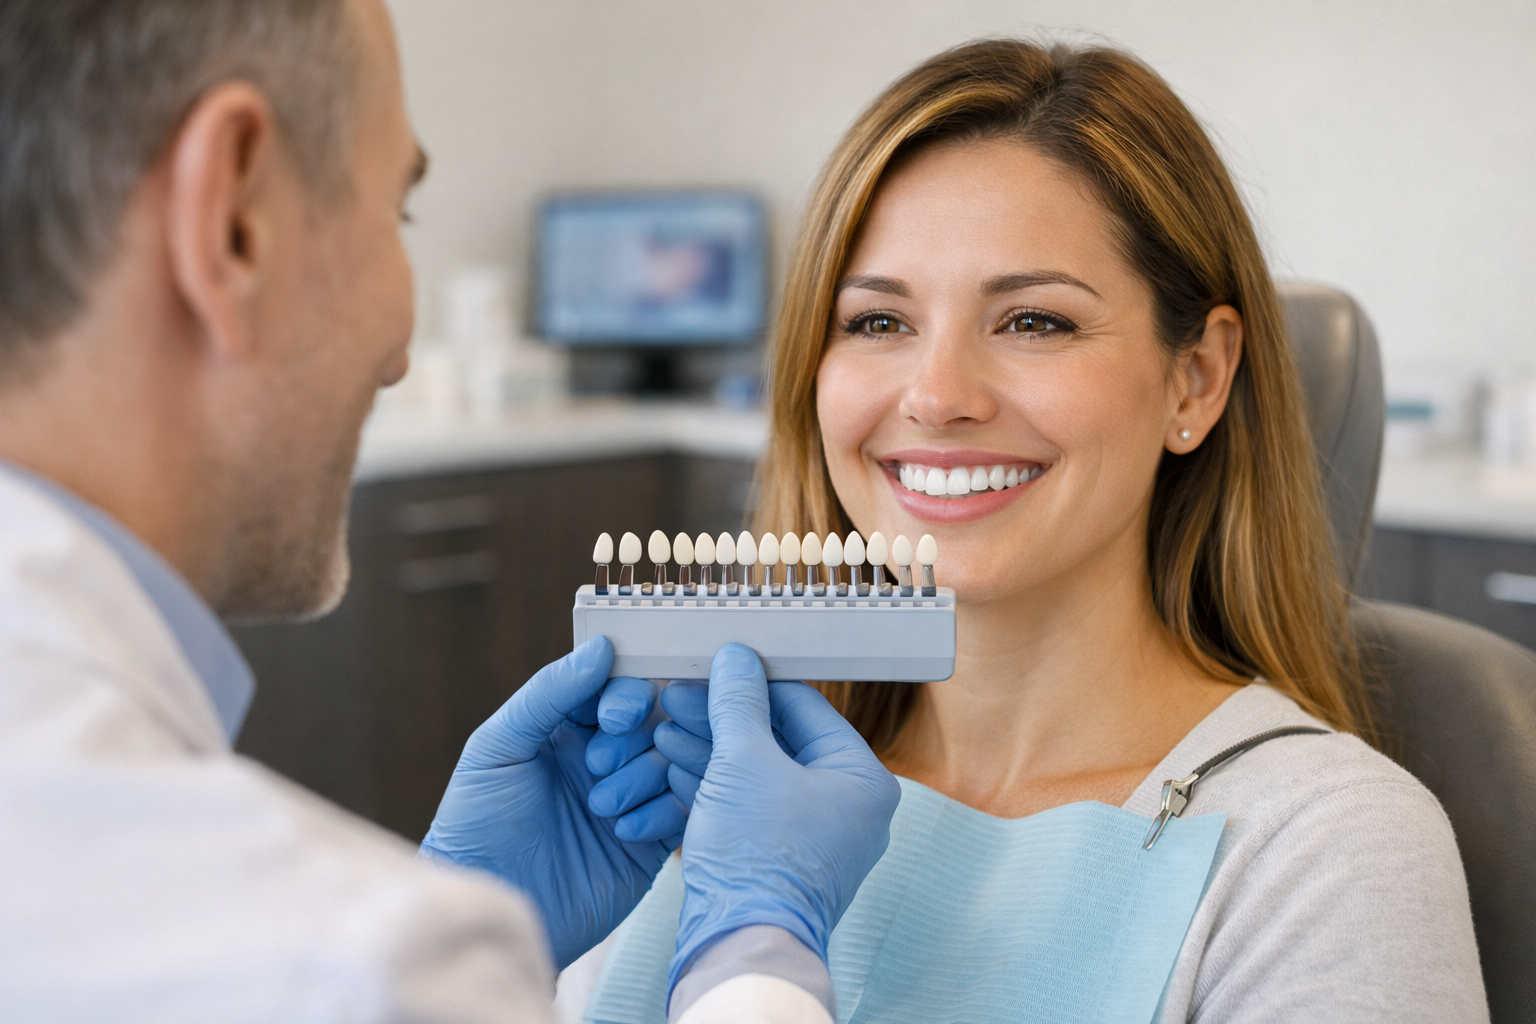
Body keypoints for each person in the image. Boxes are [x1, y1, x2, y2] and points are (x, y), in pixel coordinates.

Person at [0, 2, 897, 1021]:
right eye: (398, 213)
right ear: (232, 218)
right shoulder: (346, 966)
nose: (399, 340)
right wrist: (756, 951)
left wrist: (478, 904)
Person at [579, 39, 1490, 1021]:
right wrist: (484, 940)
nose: (937, 397)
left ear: (1198, 376)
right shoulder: (709, 797)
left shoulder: (1324, 850)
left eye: (1035, 321)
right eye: (878, 323)